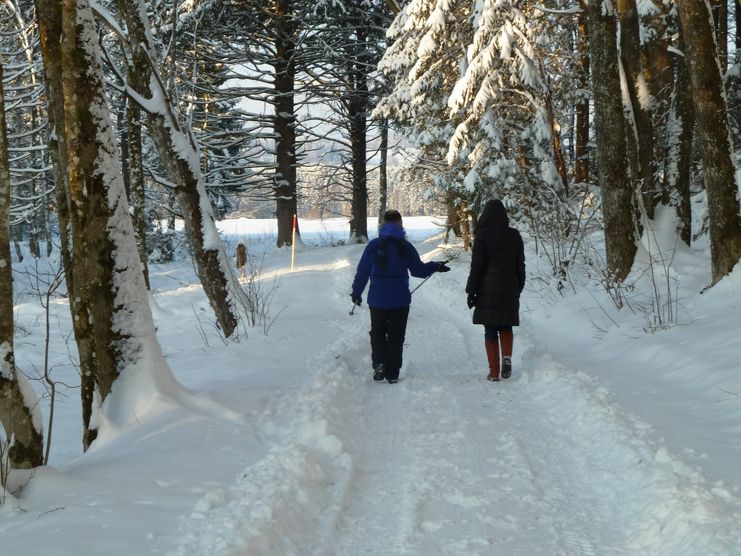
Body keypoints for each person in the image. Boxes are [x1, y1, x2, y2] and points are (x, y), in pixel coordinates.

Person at [351, 209, 450, 383]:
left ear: (383, 224)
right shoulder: (405, 247)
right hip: (400, 300)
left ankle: (379, 363)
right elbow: (418, 271)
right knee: (396, 336)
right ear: (400, 224)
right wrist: (436, 266)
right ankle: (393, 373)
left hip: (378, 300)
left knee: (378, 333)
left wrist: (356, 292)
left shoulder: (373, 245)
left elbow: (363, 272)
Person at [465, 200, 525, 381]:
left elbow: (477, 266)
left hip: (487, 290)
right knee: (505, 325)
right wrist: (518, 287)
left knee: (490, 330)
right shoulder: (514, 236)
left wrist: (471, 290)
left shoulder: (482, 236)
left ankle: (493, 372)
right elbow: (520, 265)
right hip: (510, 288)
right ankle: (507, 357)